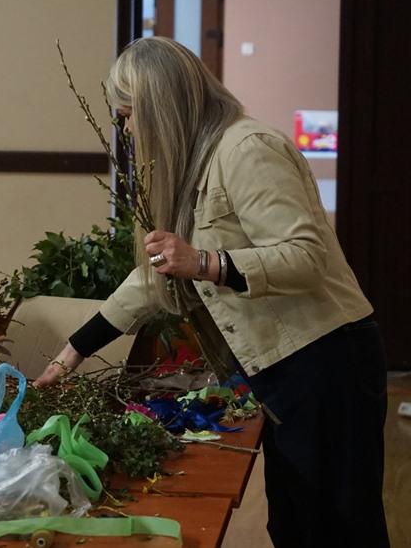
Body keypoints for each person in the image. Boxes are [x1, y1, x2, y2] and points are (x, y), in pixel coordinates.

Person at [34, 37, 389, 547]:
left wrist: (205, 263)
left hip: (327, 361)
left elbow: (306, 257)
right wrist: (72, 353)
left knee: (338, 528)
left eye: (129, 114)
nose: (127, 129)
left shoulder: (246, 149)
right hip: (284, 369)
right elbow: (150, 279)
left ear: (160, 106)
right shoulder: (195, 164)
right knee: (294, 525)